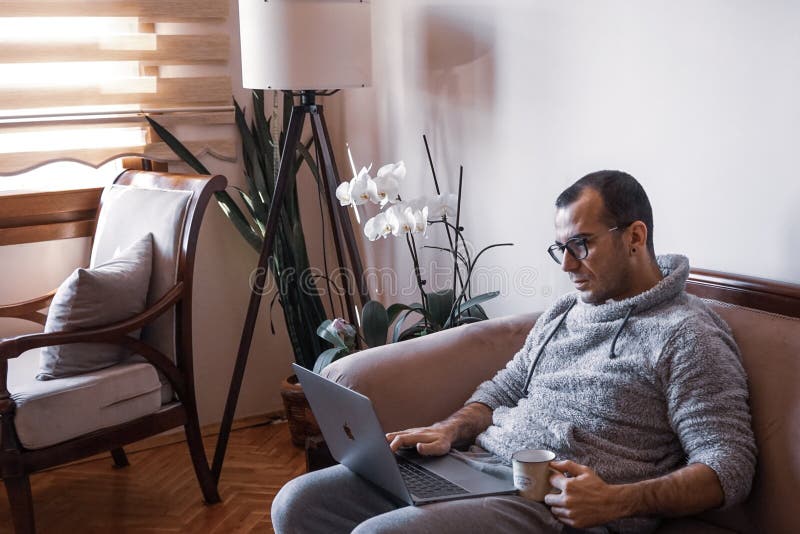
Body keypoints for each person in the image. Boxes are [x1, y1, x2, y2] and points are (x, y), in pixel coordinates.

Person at [271, 170, 756, 533]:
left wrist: (617, 501)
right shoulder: (566, 311)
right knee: (299, 502)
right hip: (476, 466)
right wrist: (451, 428)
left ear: (634, 236)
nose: (566, 265)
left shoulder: (689, 334)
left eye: (581, 245)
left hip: (549, 505)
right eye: (559, 248)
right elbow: (505, 386)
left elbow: (728, 467)